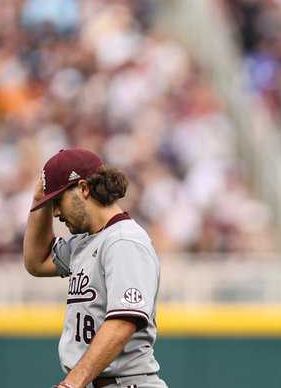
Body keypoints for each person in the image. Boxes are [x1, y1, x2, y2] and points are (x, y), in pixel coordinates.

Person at [23, 148, 167, 388]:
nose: (55, 212)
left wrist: (72, 383)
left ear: (83, 188)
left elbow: (123, 322)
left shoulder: (123, 241)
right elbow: (37, 261)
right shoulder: (87, 241)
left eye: (58, 201)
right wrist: (39, 201)